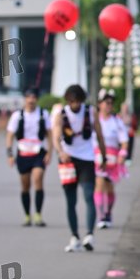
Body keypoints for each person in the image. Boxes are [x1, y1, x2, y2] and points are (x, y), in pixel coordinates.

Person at [51, 84, 106, 253]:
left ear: (82, 100)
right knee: (71, 200)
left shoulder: (90, 111)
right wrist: (61, 152)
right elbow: (56, 137)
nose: (75, 105)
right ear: (68, 101)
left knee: (89, 196)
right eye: (72, 101)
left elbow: (99, 134)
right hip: (68, 160)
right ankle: (74, 236)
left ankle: (89, 235)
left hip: (87, 159)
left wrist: (103, 156)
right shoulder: (61, 114)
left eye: (78, 101)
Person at [5, 88, 52, 226]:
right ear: (25, 99)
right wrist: (10, 154)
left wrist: (49, 152)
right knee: (25, 185)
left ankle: (38, 214)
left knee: (38, 179)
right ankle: (27, 215)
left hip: (39, 152)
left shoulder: (43, 114)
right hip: (23, 153)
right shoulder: (17, 116)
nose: (31, 100)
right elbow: (10, 136)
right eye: (28, 97)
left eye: (34, 97)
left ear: (37, 99)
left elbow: (50, 134)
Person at [94, 89, 129, 228]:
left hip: (112, 157)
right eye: (106, 102)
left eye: (111, 103)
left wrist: (122, 154)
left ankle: (108, 213)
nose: (109, 105)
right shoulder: (94, 120)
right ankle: (100, 215)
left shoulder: (116, 121)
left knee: (109, 187)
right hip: (97, 156)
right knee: (99, 183)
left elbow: (124, 140)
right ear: (100, 104)